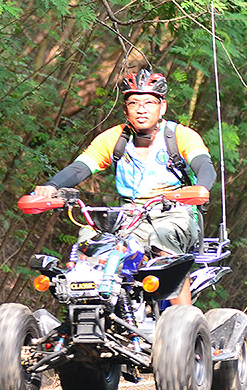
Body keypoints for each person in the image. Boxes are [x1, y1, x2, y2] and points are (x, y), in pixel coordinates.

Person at [32, 68, 216, 305]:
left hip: (175, 213)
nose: (141, 109)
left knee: (164, 237)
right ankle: (88, 309)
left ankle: (183, 316)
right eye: (134, 103)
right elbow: (80, 168)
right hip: (128, 215)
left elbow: (204, 166)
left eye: (149, 102)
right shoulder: (115, 138)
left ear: (162, 107)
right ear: (125, 108)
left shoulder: (180, 136)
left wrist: (200, 189)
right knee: (90, 240)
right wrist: (51, 186)